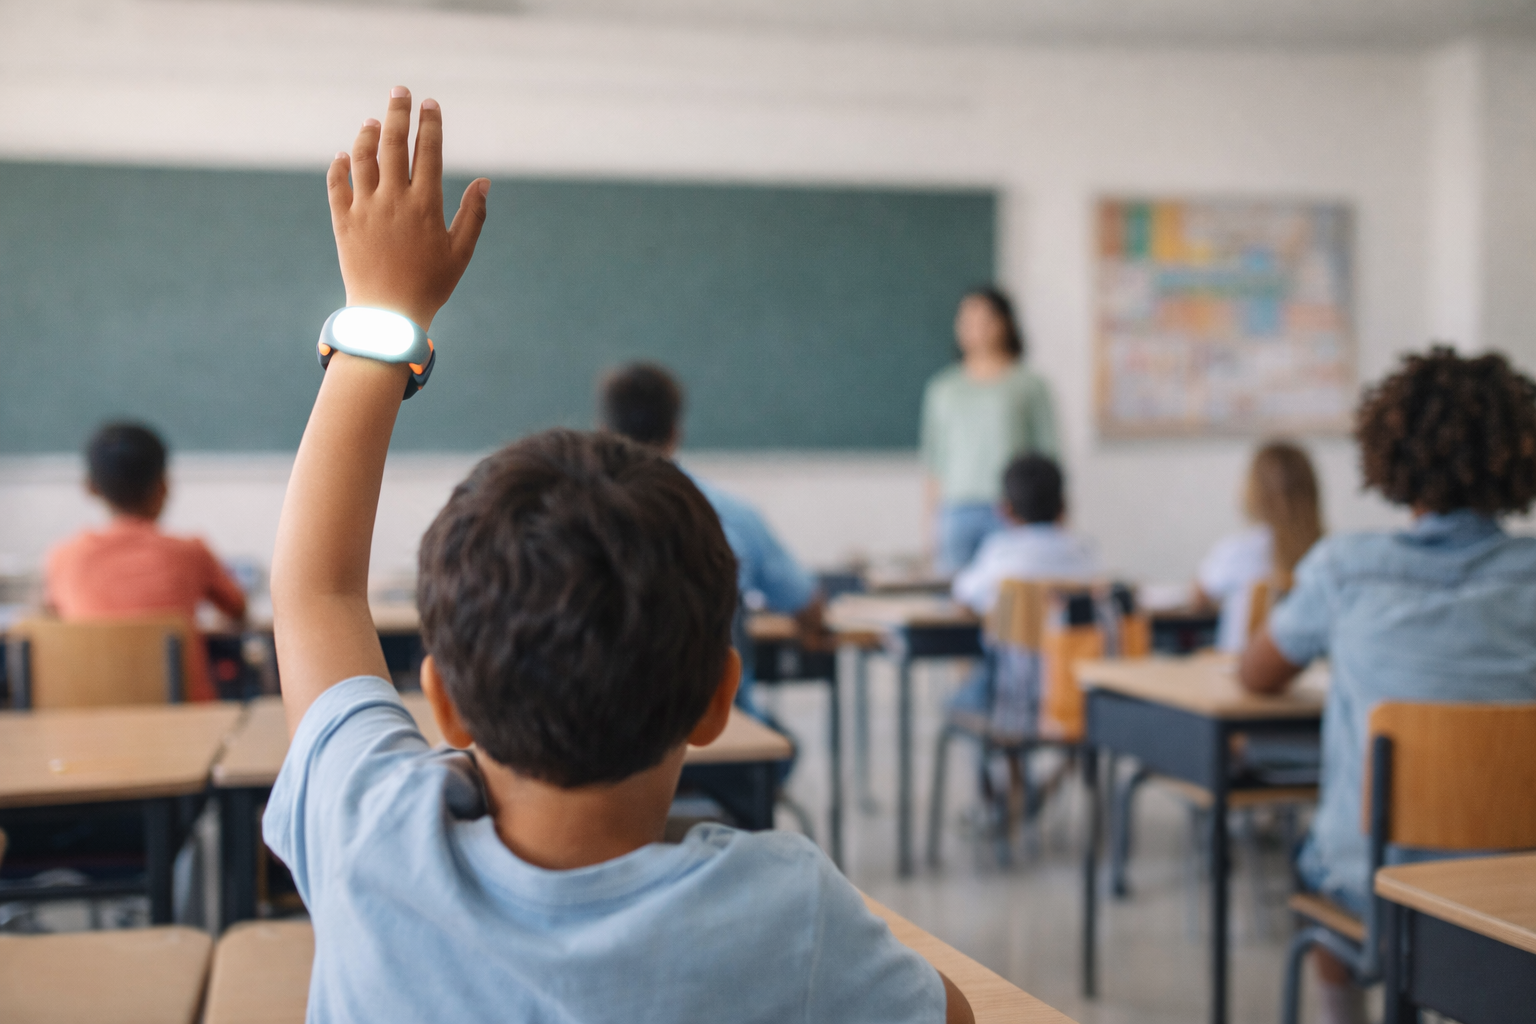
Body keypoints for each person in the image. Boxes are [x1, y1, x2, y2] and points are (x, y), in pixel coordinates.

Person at [263, 88, 970, 1024]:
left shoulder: (370, 839)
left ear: (445, 701)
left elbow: (313, 591)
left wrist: (384, 317)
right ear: (721, 697)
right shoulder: (790, 920)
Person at [1241, 347, 1536, 1024]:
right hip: (1518, 887)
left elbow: (1257, 675)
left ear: (1388, 455)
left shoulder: (1345, 569)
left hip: (1375, 885)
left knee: (1319, 861)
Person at [599, 361, 822, 714]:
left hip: (604, 733)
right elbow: (807, 604)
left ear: (603, 430)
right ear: (675, 431)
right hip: (720, 726)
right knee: (778, 745)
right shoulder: (728, 512)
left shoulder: (573, 519)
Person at [45, 421, 247, 701]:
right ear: (164, 485)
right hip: (188, 725)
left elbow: (49, 619)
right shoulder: (191, 552)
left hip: (90, 723)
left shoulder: (64, 557)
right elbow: (238, 610)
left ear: (90, 488)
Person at [920, 288, 1060, 576]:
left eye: (985, 320)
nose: (975, 329)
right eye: (966, 321)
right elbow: (935, 462)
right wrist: (932, 525)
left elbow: (1049, 456)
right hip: (957, 510)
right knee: (954, 599)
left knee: (1012, 594)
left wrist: (1056, 521)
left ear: (1005, 324)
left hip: (1011, 510)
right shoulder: (943, 388)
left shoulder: (1029, 384)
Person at [1194, 441, 1324, 652]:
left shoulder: (1237, 551)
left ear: (1253, 492)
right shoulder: (1329, 554)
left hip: (1243, 669)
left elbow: (1199, 597)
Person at [951, 453, 1098, 615]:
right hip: (1078, 640)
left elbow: (965, 593)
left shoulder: (1000, 552)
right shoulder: (1084, 551)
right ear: (1063, 507)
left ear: (1005, 510)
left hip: (1013, 641)